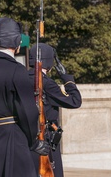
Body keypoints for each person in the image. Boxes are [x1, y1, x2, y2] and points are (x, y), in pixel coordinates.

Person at [0, 17, 49, 177]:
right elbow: (28, 111)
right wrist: (34, 141)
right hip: (16, 139)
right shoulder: (17, 70)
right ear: (17, 42)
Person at [28, 43, 82, 177]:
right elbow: (75, 101)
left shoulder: (21, 78)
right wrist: (67, 79)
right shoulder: (47, 83)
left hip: (27, 138)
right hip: (46, 138)